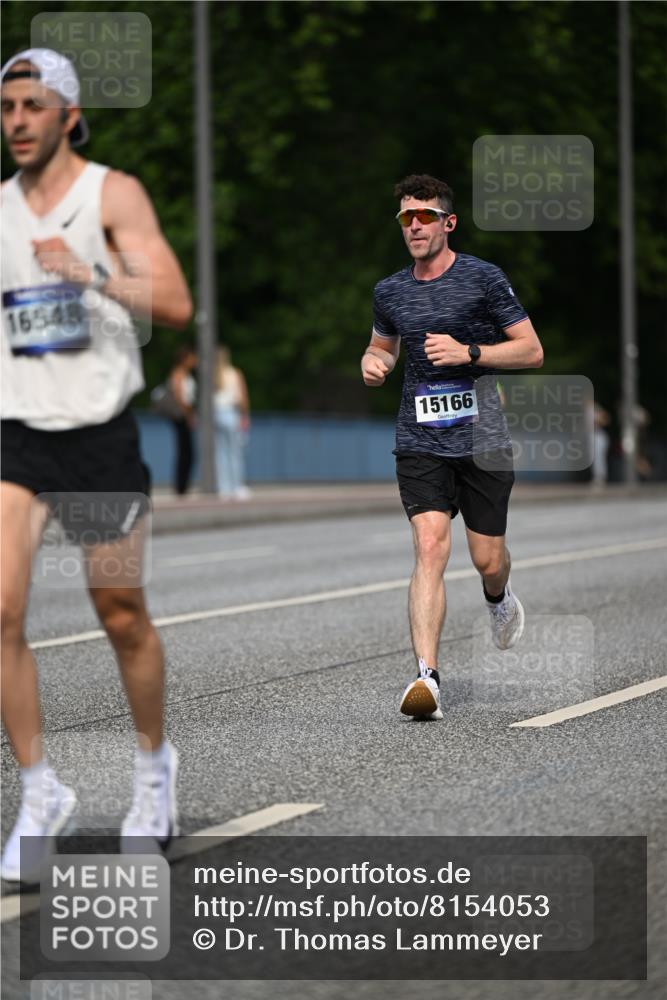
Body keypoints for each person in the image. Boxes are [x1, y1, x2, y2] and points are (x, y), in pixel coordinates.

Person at [0, 48, 192, 880]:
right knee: (0, 608)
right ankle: (39, 789)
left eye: (33, 106)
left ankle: (155, 770)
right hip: (17, 435)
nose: (16, 122)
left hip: (101, 436)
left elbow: (178, 304)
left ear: (68, 116)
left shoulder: (111, 194)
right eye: (7, 107)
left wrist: (93, 273)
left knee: (119, 612)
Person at [361, 174, 544, 720]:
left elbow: (531, 351)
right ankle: (427, 679)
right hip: (419, 440)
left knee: (487, 559)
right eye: (405, 218)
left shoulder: (484, 279)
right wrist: (375, 364)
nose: (414, 226)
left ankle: (498, 597)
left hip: (482, 439)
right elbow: (380, 346)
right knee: (430, 547)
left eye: (424, 216)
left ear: (448, 222)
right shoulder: (389, 290)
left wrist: (469, 351)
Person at [213, 345, 251, 499]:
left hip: (215, 414)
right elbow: (242, 397)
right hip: (230, 413)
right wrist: (245, 415)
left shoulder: (212, 375)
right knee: (235, 452)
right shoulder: (234, 373)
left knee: (220, 453)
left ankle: (224, 488)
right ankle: (237, 486)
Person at [167, 345, 197, 496]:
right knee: (185, 451)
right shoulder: (178, 374)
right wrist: (190, 414)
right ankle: (181, 487)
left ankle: (183, 485)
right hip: (181, 416)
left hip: (184, 415)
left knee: (187, 451)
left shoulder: (185, 374)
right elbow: (180, 397)